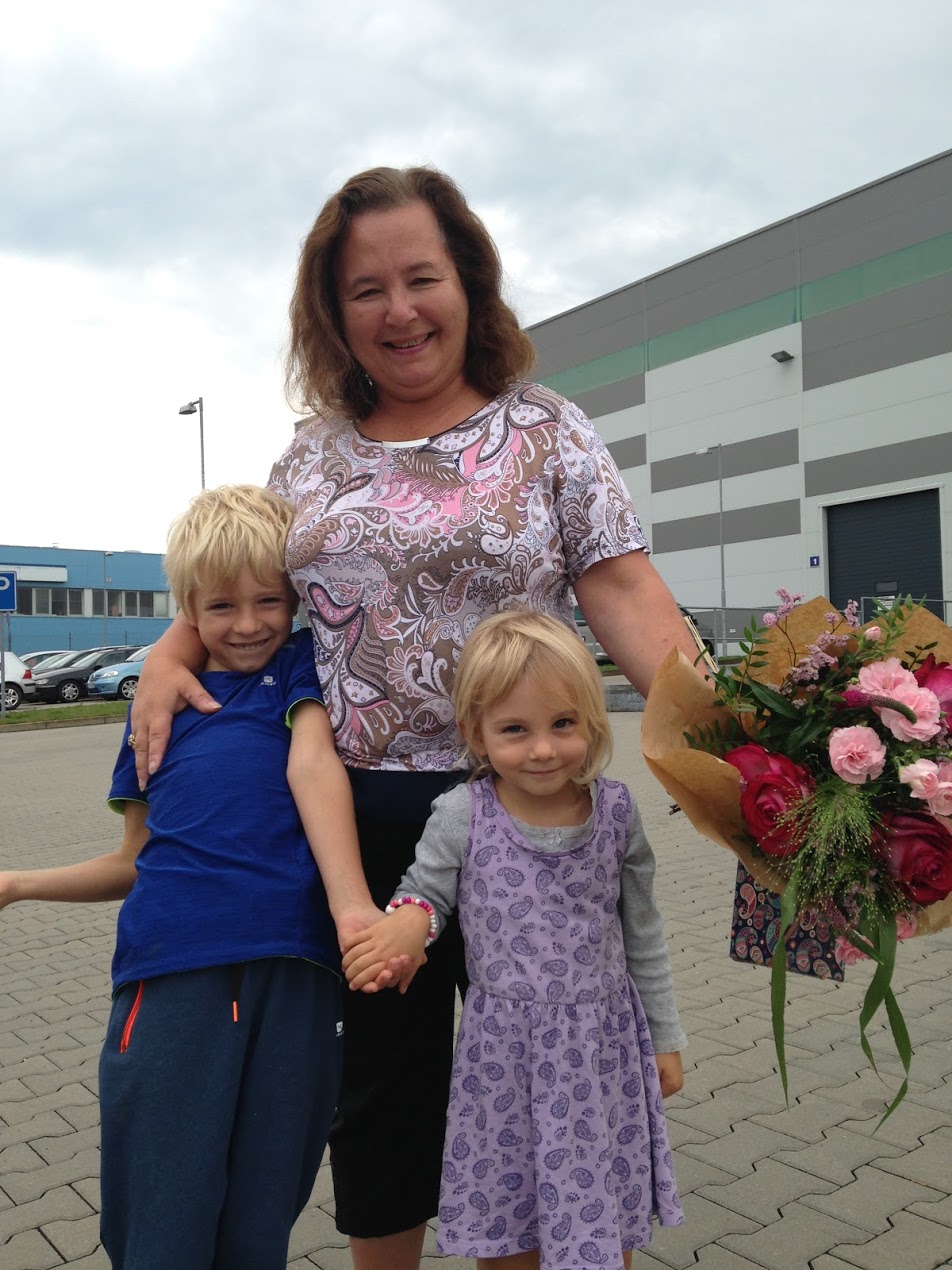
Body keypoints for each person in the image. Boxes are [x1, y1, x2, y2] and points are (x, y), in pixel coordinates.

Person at [131, 165, 701, 1270]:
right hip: (361, 823)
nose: (399, 310)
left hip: (530, 815)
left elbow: (628, 591)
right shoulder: (310, 455)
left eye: (422, 278)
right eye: (366, 289)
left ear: (469, 283)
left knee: (541, 1087)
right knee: (381, 1102)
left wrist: (741, 752)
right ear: (332, 312)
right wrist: (169, 649)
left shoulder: (546, 431)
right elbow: (243, 590)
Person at [0, 485, 383, 1270]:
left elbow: (314, 762)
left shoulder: (304, 668)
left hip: (299, 975)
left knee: (262, 1214)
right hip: (172, 974)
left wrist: (353, 910)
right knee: (162, 1213)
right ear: (187, 610)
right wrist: (17, 883)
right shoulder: (154, 717)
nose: (248, 624)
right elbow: (131, 863)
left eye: (269, 600)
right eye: (221, 607)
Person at [344, 610, 686, 1270]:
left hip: (601, 1057)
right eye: (515, 730)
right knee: (508, 1224)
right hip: (502, 1061)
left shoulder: (618, 812)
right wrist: (408, 921)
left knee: (602, 1223)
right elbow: (426, 892)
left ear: (592, 721)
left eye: (563, 724)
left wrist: (665, 1037)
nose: (543, 750)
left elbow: (643, 932)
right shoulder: (462, 813)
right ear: (476, 732)